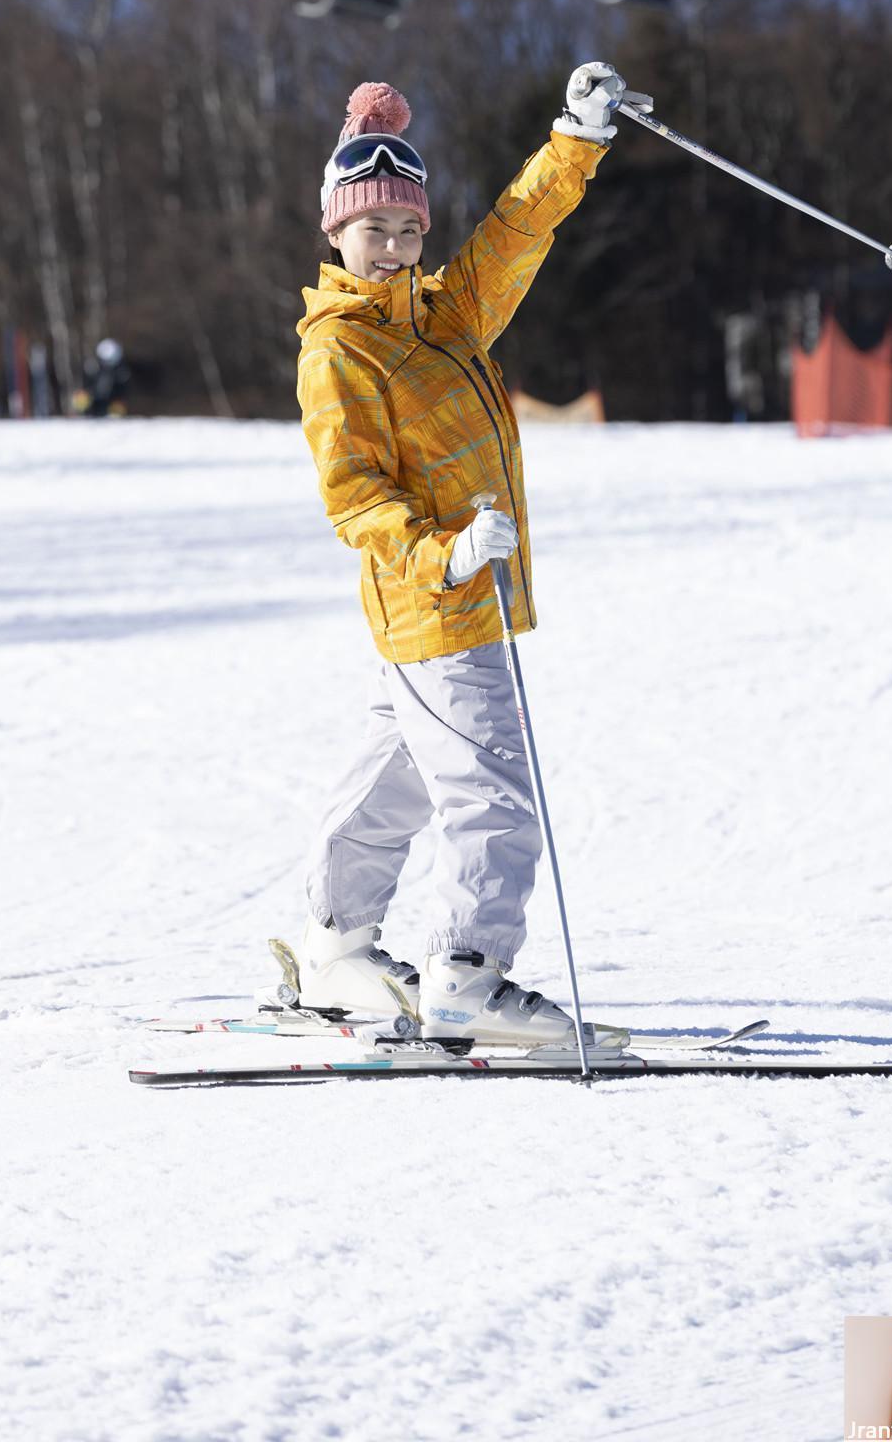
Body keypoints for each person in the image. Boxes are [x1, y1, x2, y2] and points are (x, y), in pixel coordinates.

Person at [293, 71, 626, 1049]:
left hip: (435, 607)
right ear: (333, 232)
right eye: (372, 230)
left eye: (406, 228)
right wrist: (444, 553)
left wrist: (574, 136)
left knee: (388, 783)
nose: (392, 246)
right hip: (436, 600)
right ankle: (465, 976)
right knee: (491, 797)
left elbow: (517, 230)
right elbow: (354, 500)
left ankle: (334, 945)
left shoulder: (445, 315)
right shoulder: (340, 350)